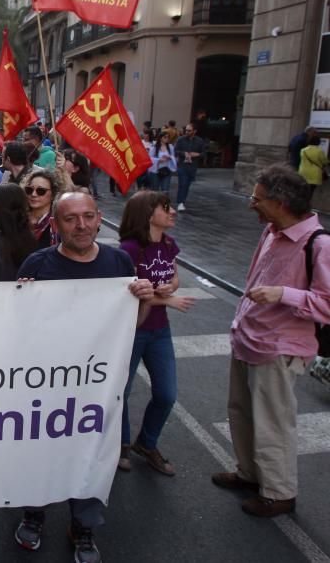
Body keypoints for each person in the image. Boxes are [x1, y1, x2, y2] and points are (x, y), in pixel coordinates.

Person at [15, 192, 155, 563]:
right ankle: (34, 511)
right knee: (41, 450)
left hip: (96, 386)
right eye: (71, 218)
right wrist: (21, 298)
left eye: (88, 216)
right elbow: (16, 328)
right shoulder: (38, 264)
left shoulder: (119, 261)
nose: (81, 225)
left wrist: (143, 300)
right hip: (45, 384)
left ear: (99, 218)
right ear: (56, 225)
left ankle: (84, 524)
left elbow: (130, 327)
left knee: (92, 453)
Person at [211, 164, 330, 517]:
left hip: (280, 349)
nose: (251, 205)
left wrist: (283, 294)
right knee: (242, 412)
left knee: (273, 423)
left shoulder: (319, 244)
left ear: (280, 203)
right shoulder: (272, 231)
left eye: (257, 199)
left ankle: (279, 492)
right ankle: (249, 473)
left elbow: (327, 303)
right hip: (249, 338)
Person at [117, 191, 196, 475]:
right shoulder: (128, 249)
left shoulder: (168, 243)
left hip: (160, 330)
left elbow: (173, 275)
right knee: (120, 393)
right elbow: (125, 294)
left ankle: (146, 443)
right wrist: (168, 300)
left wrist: (170, 288)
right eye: (166, 207)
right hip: (133, 330)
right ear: (148, 214)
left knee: (166, 394)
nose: (172, 211)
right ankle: (121, 444)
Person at [21, 169, 60, 249]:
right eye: (29, 190)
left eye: (41, 191)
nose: (33, 194)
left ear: (53, 194)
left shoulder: (58, 223)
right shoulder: (18, 217)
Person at [174, 123, 206, 211]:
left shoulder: (200, 141)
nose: (187, 132)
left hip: (192, 166)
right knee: (183, 183)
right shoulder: (181, 139)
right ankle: (180, 202)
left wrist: (196, 154)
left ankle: (182, 201)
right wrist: (184, 153)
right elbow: (175, 151)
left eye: (189, 130)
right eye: (186, 130)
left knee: (187, 185)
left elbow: (203, 154)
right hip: (182, 165)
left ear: (194, 131)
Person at [298, 133, 328, 201]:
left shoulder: (303, 150)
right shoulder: (319, 151)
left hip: (303, 172)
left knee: (303, 190)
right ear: (318, 142)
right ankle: (306, 205)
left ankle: (300, 204)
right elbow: (324, 161)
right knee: (310, 191)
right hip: (314, 174)